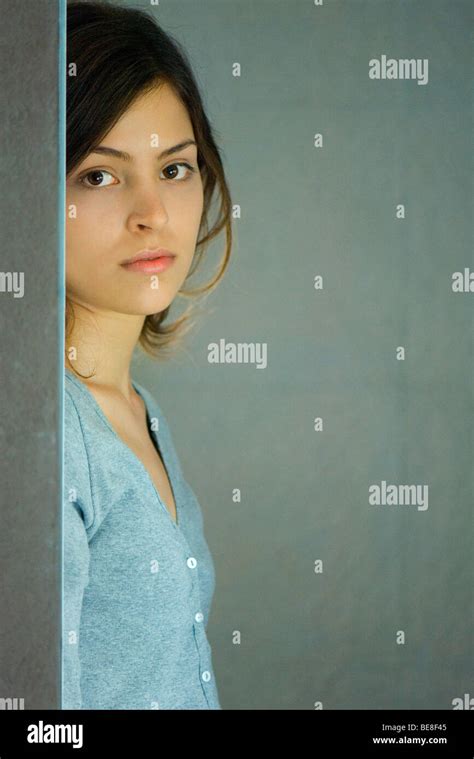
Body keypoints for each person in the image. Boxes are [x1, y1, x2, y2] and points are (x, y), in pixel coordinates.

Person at [63, 0, 232, 709]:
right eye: (99, 175)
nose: (152, 213)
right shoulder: (46, 437)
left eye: (175, 168)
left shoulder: (138, 410)